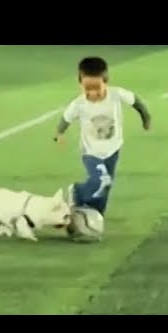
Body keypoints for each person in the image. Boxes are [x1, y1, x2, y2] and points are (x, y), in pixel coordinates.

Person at [54, 56, 151, 232]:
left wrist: (146, 119)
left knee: (106, 186)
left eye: (96, 88)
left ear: (105, 81)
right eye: (87, 88)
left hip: (113, 149)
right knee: (101, 180)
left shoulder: (116, 94)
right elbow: (65, 119)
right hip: (90, 151)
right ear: (80, 84)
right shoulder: (79, 104)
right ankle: (77, 191)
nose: (92, 93)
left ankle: (95, 216)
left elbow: (137, 103)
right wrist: (59, 134)